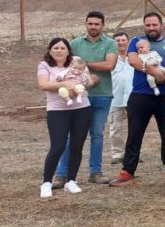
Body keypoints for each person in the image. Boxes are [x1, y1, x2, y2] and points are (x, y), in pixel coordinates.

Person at [112, 13, 165, 187]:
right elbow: (134, 61)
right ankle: (128, 171)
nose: (151, 28)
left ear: (161, 25)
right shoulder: (136, 41)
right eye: (148, 25)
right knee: (134, 134)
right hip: (140, 95)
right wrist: (155, 73)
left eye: (154, 25)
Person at [50, 11, 118, 187]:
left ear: (103, 25)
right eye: (90, 23)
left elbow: (109, 65)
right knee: (70, 135)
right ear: (85, 24)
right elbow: (64, 65)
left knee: (97, 134)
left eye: (97, 24)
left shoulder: (111, 43)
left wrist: (82, 64)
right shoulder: (74, 43)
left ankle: (95, 172)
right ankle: (61, 174)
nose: (93, 27)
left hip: (102, 95)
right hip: (76, 97)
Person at [37, 38, 92, 198]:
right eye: (56, 47)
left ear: (68, 51)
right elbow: (43, 85)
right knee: (58, 145)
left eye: (63, 48)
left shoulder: (76, 62)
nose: (59, 50)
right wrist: (65, 85)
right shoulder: (44, 65)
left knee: (77, 145)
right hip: (57, 110)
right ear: (50, 50)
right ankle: (46, 183)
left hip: (81, 108)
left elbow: (88, 80)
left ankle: (71, 181)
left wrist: (80, 85)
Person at [108, 31, 133, 165]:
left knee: (134, 128)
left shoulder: (134, 57)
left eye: (123, 40)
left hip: (133, 97)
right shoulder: (110, 58)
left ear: (128, 42)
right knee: (115, 127)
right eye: (117, 40)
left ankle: (132, 153)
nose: (121, 43)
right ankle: (117, 154)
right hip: (115, 97)